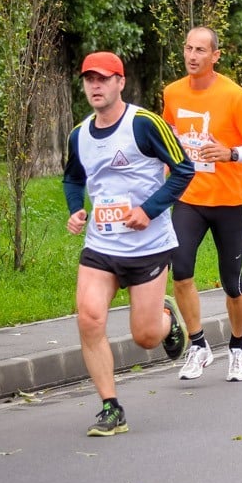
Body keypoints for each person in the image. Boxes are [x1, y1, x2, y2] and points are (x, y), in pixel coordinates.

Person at [63, 51, 195, 436]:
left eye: (103, 79)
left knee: (146, 336)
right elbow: (72, 177)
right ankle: (111, 407)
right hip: (102, 245)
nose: (96, 86)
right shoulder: (80, 134)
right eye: (89, 79)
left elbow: (184, 168)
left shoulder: (143, 124)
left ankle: (165, 320)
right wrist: (76, 209)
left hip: (148, 245)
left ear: (120, 82)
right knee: (88, 318)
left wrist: (149, 210)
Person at [163, 27, 242, 383]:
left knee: (232, 283)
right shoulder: (173, 93)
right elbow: (167, 141)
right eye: (188, 48)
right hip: (188, 197)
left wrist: (231, 153)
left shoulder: (235, 96)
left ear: (215, 56)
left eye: (200, 50)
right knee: (180, 270)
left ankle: (238, 347)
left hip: (228, 201)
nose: (192, 56)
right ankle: (198, 345)